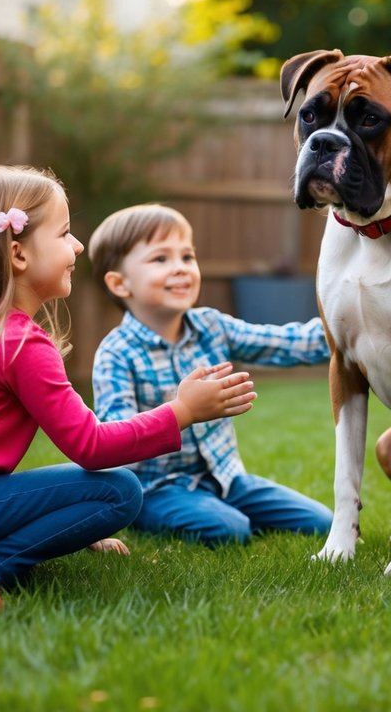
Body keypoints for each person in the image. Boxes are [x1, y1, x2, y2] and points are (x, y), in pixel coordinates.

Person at [0, 165, 256, 609]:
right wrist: (182, 411)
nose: (78, 246)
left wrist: (75, 525)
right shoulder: (19, 344)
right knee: (120, 490)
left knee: (96, 492)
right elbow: (91, 446)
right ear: (18, 255)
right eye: (65, 233)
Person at [89, 203, 333, 547]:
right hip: (157, 488)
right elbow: (118, 436)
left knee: (322, 523)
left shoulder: (211, 326)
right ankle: (143, 515)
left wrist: (347, 325)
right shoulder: (117, 353)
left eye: (187, 257)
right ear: (119, 283)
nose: (181, 269)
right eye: (161, 259)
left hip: (227, 477)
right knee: (229, 530)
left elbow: (285, 343)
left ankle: (218, 505)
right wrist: (179, 412)